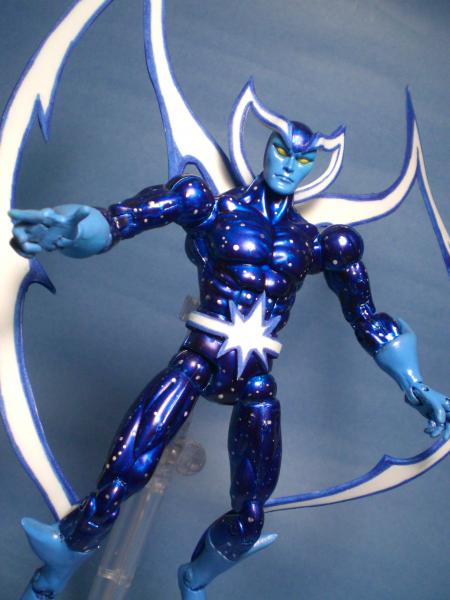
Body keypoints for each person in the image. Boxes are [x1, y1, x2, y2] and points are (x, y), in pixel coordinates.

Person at [10, 121, 450, 600]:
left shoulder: (316, 243)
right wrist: (75, 229)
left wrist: (414, 383)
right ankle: (50, 578)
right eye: (282, 150)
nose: (289, 165)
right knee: (120, 482)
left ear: (316, 166)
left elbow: (365, 316)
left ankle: (194, 581)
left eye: (304, 158)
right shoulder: (211, 207)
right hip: (197, 361)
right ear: (266, 147)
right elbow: (122, 220)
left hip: (256, 380)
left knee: (250, 515)